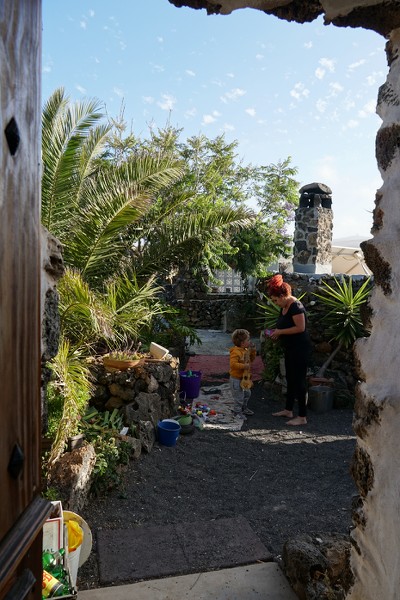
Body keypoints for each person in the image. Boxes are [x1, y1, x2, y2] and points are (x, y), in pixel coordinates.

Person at [267, 274, 311, 426]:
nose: (275, 303)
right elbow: (285, 326)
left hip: (300, 349)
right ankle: (288, 410)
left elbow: (301, 328)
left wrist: (280, 332)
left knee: (299, 381)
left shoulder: (296, 306)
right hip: (290, 347)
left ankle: (302, 417)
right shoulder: (285, 306)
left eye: (275, 300)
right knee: (291, 379)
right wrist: (276, 332)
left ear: (283, 295)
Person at [229, 328, 257, 419]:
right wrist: (244, 366)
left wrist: (253, 351)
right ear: (242, 343)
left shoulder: (245, 350)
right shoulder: (235, 352)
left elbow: (251, 360)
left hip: (244, 378)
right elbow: (233, 364)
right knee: (239, 397)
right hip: (235, 379)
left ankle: (243, 408)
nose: (249, 341)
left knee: (247, 393)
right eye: (247, 340)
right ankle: (237, 412)